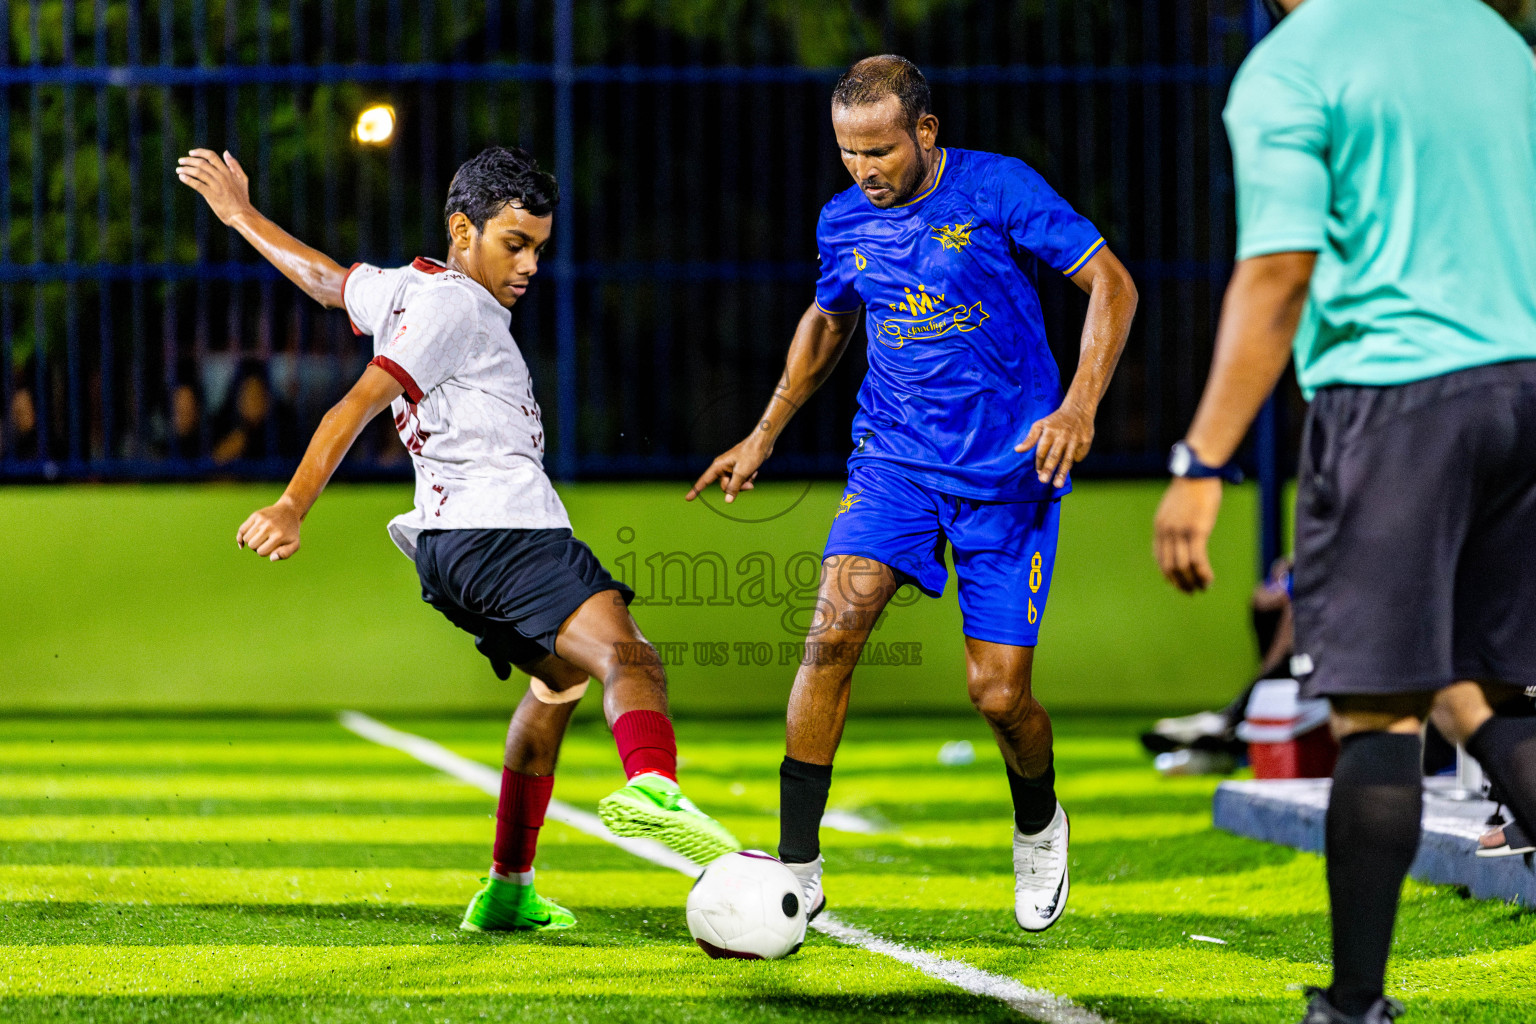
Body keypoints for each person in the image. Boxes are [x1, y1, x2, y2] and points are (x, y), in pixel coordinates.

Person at [176, 144, 740, 934]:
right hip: (504, 529)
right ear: (462, 230)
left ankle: (508, 890)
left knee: (559, 687)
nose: (531, 264)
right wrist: (292, 504)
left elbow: (328, 282)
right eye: (516, 244)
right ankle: (654, 787)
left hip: (451, 551)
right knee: (631, 658)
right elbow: (357, 403)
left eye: (540, 247)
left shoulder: (407, 289)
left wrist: (240, 215)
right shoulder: (455, 308)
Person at [689, 55, 1137, 932]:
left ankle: (1040, 823)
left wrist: (1080, 406)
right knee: (831, 633)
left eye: (881, 151)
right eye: (849, 154)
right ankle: (796, 865)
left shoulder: (1000, 190)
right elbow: (829, 320)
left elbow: (1112, 285)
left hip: (1010, 474)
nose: (865, 171)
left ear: (925, 133)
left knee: (999, 696)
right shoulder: (843, 221)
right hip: (892, 462)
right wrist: (765, 431)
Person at [1152, 1, 1536, 1020]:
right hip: (1525, 388)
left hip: (1397, 399)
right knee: (1477, 680)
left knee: (1376, 707)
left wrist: (1203, 461)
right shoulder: (1493, 39)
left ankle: (1355, 1004)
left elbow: (1280, 272)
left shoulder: (1294, 65)